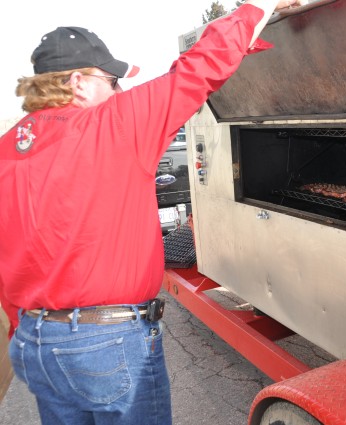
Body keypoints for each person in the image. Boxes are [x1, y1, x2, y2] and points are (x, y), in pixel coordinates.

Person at [0, 0, 302, 423]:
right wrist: (260, 6)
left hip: (36, 342)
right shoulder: (109, 126)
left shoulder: (8, 149)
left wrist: (23, 328)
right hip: (106, 345)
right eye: (113, 81)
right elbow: (197, 70)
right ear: (78, 82)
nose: (121, 92)